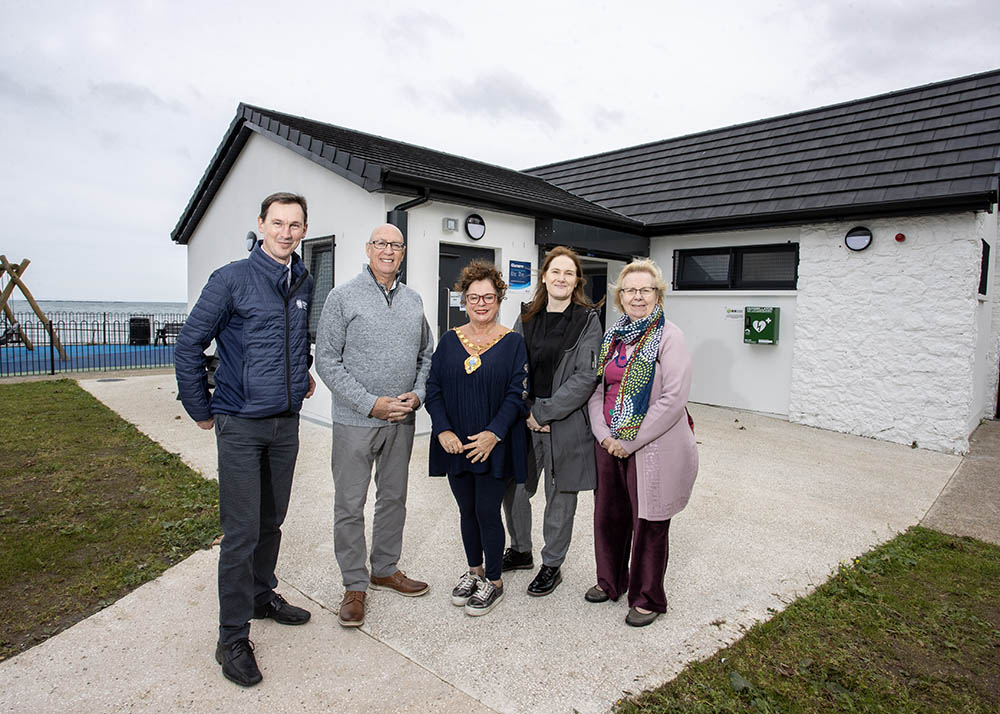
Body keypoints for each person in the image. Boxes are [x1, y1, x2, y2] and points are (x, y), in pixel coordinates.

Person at [175, 192, 315, 687]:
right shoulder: (231, 278)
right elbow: (190, 343)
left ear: (303, 230)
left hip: (286, 423)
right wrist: (200, 408)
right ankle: (231, 636)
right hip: (239, 422)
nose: (286, 232)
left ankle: (261, 595)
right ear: (261, 224)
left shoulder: (303, 278)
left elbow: (296, 340)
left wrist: (301, 376)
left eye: (295, 224)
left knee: (272, 520)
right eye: (277, 223)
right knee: (240, 532)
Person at [315, 223, 434, 628]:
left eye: (396, 245)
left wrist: (417, 395)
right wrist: (370, 404)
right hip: (354, 421)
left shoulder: (414, 300)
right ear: (368, 248)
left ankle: (384, 568)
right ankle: (354, 585)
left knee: (393, 498)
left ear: (403, 253)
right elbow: (327, 360)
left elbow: (426, 356)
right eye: (381, 243)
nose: (388, 250)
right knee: (350, 505)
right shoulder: (341, 297)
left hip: (402, 420)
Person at [586, 259, 698, 627]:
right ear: (620, 296)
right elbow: (597, 389)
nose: (637, 297)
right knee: (608, 517)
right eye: (630, 290)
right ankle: (610, 581)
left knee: (649, 521)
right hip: (610, 444)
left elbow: (672, 399)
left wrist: (629, 442)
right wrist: (604, 436)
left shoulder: (670, 337)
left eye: (645, 290)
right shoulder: (612, 336)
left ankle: (647, 596)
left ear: (657, 295)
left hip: (652, 446)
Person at [425, 261, 529, 616]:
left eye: (488, 297)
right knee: (466, 510)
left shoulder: (513, 342)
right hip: (456, 445)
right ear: (463, 301)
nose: (480, 303)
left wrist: (493, 434)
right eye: (473, 297)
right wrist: (443, 429)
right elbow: (433, 387)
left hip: (493, 448)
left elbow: (517, 394)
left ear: (499, 299)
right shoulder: (450, 340)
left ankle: (495, 582)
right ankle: (475, 571)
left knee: (487, 510)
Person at [502, 246, 603, 597]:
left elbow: (584, 378)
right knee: (515, 489)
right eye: (555, 271)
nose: (561, 278)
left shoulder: (588, 319)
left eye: (569, 273)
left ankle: (551, 564)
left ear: (576, 281)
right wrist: (526, 412)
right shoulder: (527, 316)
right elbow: (513, 365)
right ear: (544, 276)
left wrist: (543, 413)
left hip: (566, 424)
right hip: (525, 421)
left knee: (560, 498)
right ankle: (520, 550)